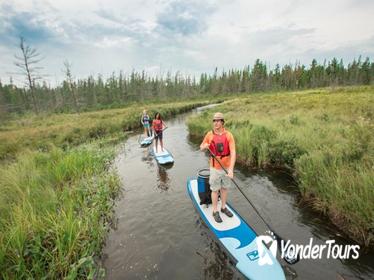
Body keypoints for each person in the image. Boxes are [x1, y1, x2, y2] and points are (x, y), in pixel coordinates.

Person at [200, 112, 236, 223]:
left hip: (226, 168)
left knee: (224, 188)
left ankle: (223, 207)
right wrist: (204, 146)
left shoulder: (229, 135)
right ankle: (215, 211)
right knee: (215, 190)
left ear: (222, 122)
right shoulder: (209, 135)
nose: (215, 123)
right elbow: (201, 147)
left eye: (218, 120)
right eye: (214, 120)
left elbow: (233, 152)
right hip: (215, 167)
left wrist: (231, 169)